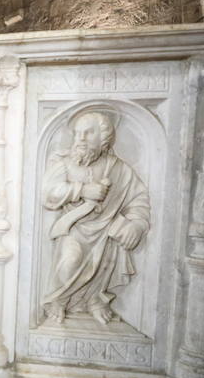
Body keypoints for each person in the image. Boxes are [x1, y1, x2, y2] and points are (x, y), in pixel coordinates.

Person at [41, 111, 151, 325]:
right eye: (77, 133)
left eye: (87, 133)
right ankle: (59, 299)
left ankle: (95, 300)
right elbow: (48, 193)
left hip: (105, 232)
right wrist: (81, 190)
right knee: (71, 260)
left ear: (104, 137)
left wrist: (136, 225)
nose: (80, 139)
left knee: (102, 263)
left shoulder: (120, 170)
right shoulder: (65, 163)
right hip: (75, 227)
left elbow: (139, 200)